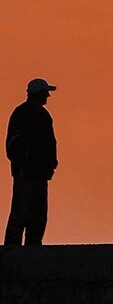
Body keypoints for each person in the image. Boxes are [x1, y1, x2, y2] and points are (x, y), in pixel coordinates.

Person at [5, 78, 58, 246]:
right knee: (21, 213)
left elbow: (50, 143)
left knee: (38, 215)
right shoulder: (22, 114)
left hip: (40, 174)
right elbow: (12, 145)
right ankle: (12, 252)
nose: (48, 96)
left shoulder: (43, 115)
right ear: (38, 94)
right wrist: (25, 161)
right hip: (26, 174)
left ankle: (32, 249)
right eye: (45, 93)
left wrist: (51, 164)